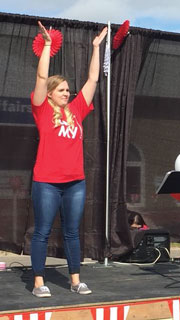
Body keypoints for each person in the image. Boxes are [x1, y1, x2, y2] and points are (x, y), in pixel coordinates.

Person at [30, 21, 107, 298]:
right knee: (42, 232)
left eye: (68, 90)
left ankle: (76, 280)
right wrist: (48, 46)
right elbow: (40, 78)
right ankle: (39, 282)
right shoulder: (40, 109)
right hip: (47, 182)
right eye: (61, 89)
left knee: (73, 232)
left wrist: (97, 48)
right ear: (50, 93)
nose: (67, 93)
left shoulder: (75, 110)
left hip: (75, 182)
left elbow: (93, 80)